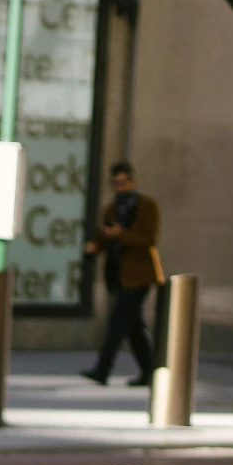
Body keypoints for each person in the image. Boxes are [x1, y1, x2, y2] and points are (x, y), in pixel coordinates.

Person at [83, 161, 160, 386]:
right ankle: (149, 372)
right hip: (117, 275)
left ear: (133, 181)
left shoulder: (146, 206)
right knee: (134, 327)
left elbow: (149, 239)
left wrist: (121, 234)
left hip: (139, 276)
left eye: (124, 182)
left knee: (118, 323)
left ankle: (103, 369)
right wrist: (95, 246)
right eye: (116, 183)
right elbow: (102, 237)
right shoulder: (112, 208)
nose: (120, 187)